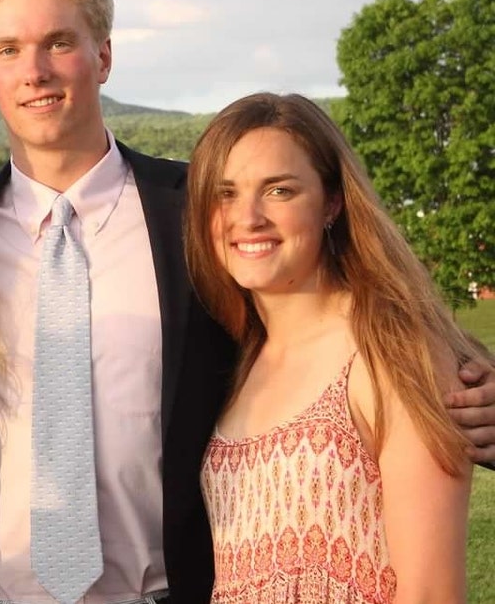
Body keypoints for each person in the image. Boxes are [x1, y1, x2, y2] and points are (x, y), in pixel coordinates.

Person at [0, 0, 495, 604]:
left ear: (104, 55)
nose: (35, 71)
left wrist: (473, 386)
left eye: (59, 42)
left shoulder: (203, 216)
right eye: (8, 50)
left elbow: (339, 311)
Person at [186, 92, 484, 603]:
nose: (248, 217)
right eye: (225, 193)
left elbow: (432, 593)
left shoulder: (390, 351)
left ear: (332, 201)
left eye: (279, 191)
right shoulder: (237, 358)